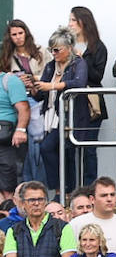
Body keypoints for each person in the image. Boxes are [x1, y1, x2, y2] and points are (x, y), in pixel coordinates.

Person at [35, 28, 89, 194]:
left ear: (69, 48)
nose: (53, 53)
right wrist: (35, 88)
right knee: (50, 149)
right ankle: (60, 189)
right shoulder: (51, 66)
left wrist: (52, 86)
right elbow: (42, 92)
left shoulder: (78, 63)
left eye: (57, 49)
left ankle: (68, 191)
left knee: (67, 153)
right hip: (52, 116)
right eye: (51, 49)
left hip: (71, 116)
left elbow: (79, 83)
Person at [4, 21, 51, 184]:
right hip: (15, 101)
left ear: (26, 33)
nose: (18, 38)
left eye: (20, 33)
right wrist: (16, 80)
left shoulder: (40, 51)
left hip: (37, 99)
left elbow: (52, 73)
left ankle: (37, 184)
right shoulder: (6, 55)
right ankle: (23, 185)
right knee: (18, 146)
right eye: (14, 34)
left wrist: (32, 79)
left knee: (36, 144)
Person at [68, 7, 108, 186]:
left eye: (73, 20)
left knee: (90, 148)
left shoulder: (98, 47)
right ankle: (71, 188)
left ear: (83, 22)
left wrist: (80, 59)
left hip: (91, 102)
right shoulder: (67, 44)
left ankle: (91, 189)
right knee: (70, 147)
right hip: (71, 102)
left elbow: (97, 76)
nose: (70, 24)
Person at [70, 177, 116, 256]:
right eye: (104, 195)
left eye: (112, 195)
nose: (109, 199)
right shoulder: (75, 224)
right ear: (92, 199)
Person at [0, 59, 31, 202]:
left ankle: (8, 215)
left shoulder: (10, 80)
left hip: (6, 136)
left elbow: (24, 107)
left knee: (8, 183)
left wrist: (21, 130)